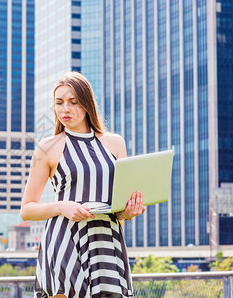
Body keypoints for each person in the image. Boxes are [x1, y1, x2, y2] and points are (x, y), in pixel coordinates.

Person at [20, 72, 146, 298]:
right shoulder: (47, 147)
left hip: (106, 242)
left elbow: (120, 209)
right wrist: (62, 207)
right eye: (59, 103)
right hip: (64, 242)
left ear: (87, 104)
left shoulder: (115, 143)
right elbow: (27, 209)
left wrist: (129, 212)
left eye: (73, 102)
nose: (64, 109)